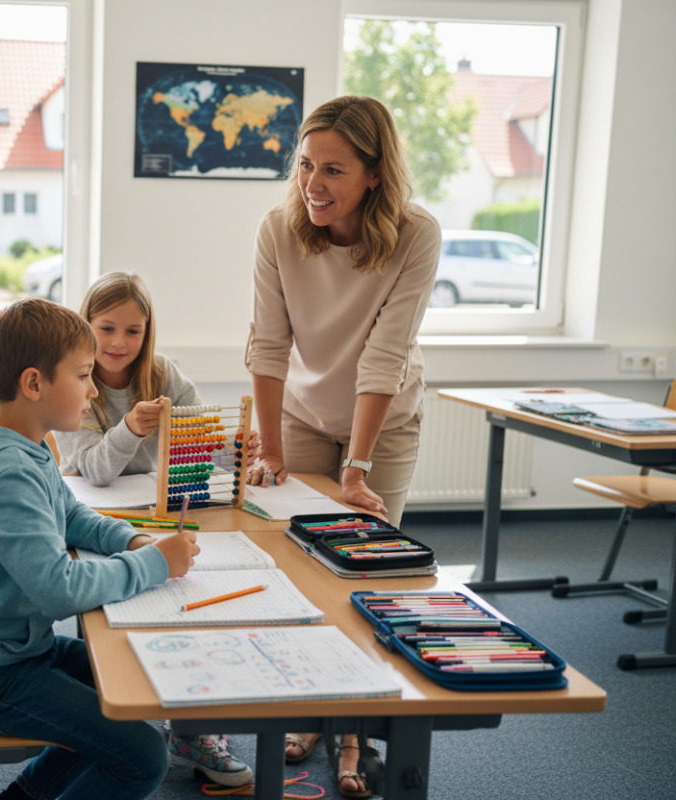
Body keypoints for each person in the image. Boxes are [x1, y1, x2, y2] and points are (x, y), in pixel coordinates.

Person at [0, 297, 199, 800]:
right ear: (34, 384)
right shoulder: (5, 474)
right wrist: (153, 562)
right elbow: (59, 590)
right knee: (143, 756)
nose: (93, 390)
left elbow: (70, 515)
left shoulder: (22, 441)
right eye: (84, 375)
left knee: (129, 683)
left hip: (11, 651)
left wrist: (131, 540)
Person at [245, 95, 441, 799]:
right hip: (300, 412)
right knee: (299, 566)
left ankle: (351, 732)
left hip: (382, 422)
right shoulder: (279, 229)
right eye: (304, 165)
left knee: (363, 573)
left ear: (375, 174)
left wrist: (356, 470)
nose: (313, 184)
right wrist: (269, 449)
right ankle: (305, 709)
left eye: (333, 169)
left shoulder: (416, 236)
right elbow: (268, 345)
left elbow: (383, 356)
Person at [54, 271, 255, 787]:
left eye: (133, 331)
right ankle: (115, 720)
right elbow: (95, 470)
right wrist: (129, 428)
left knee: (192, 598)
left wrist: (235, 453)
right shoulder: (75, 380)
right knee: (120, 616)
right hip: (99, 521)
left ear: (148, 333)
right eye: (106, 328)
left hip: (164, 513)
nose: (119, 342)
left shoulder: (163, 374)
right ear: (85, 326)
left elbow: (201, 440)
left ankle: (189, 727)